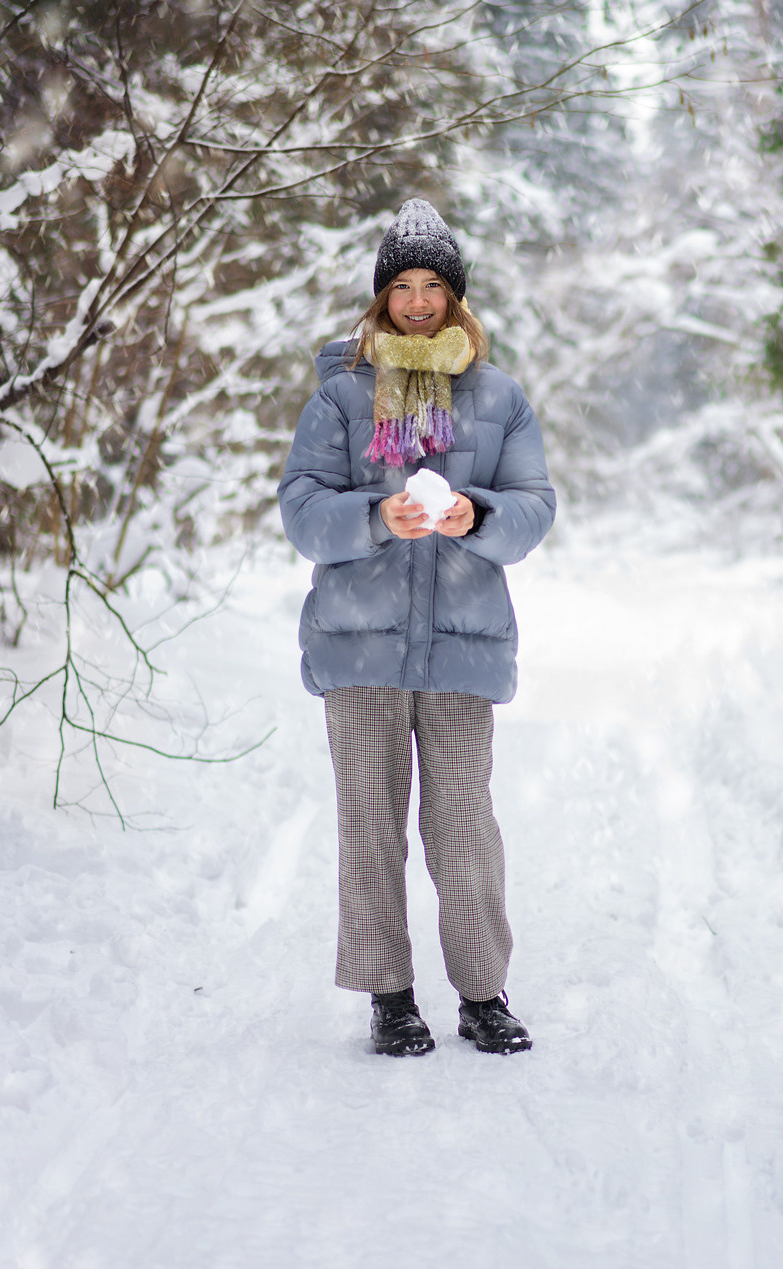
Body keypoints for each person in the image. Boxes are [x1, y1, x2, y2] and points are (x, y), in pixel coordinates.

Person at [277, 199, 556, 1057]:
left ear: (457, 296)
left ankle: (482, 992)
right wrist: (373, 517)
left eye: (435, 284)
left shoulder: (499, 398)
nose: (420, 300)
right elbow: (300, 509)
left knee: (462, 821)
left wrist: (474, 515)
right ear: (382, 296)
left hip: (462, 648)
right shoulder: (340, 395)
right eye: (403, 285)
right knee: (369, 819)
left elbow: (535, 507)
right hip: (358, 644)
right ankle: (389, 995)